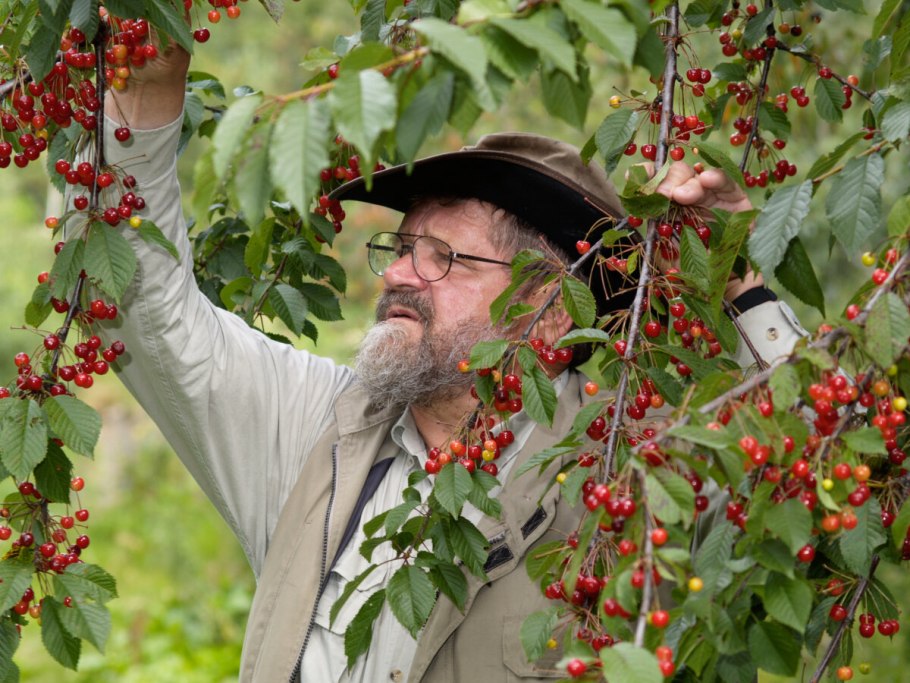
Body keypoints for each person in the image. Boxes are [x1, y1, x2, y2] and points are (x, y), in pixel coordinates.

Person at [97, 43, 806, 683]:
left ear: (549, 309)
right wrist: (144, 96)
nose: (397, 274)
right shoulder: (313, 431)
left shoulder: (632, 479)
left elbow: (806, 482)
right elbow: (142, 304)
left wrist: (742, 286)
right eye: (402, 247)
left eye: (444, 257)